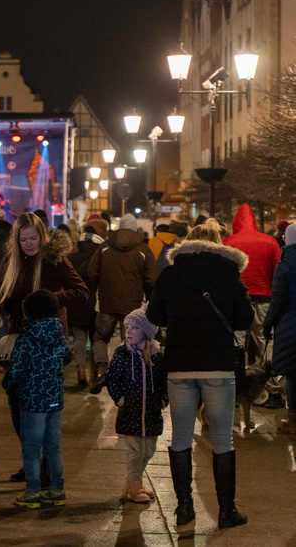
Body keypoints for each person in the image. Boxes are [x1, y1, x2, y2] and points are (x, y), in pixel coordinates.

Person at [146, 220, 253, 536]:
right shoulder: (229, 273)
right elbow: (244, 318)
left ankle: (184, 511)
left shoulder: (171, 273)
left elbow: (153, 315)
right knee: (222, 439)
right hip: (218, 364)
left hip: (180, 364)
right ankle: (227, 511)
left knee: (180, 437)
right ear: (219, 244)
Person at [0, 212, 88, 483]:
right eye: (22, 239)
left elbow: (80, 291)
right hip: (18, 337)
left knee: (42, 405)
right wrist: (7, 304)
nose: (28, 244)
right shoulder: (10, 260)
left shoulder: (53, 259)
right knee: (16, 402)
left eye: (32, 238)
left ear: (42, 236)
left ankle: (44, 463)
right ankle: (32, 459)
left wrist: (49, 299)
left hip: (46, 341)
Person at [3, 289, 72, 509]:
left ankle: (32, 493)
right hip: (54, 400)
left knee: (32, 449)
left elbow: (16, 371)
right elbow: (67, 356)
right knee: (53, 448)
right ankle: (57, 490)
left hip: (32, 403)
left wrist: (9, 385)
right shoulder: (58, 335)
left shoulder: (27, 340)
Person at [88, 213, 158, 394]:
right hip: (133, 306)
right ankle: (127, 377)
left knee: (99, 337)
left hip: (107, 304)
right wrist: (150, 303)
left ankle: (102, 370)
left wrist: (95, 293)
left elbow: (92, 273)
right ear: (135, 230)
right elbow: (152, 280)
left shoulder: (104, 247)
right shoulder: (143, 249)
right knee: (129, 341)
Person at [105, 305, 167, 504]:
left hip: (151, 412)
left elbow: (165, 380)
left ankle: (132, 484)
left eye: (135, 328)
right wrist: (119, 398)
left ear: (147, 332)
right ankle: (135, 485)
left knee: (148, 450)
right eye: (127, 327)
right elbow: (112, 378)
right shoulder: (122, 354)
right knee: (135, 451)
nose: (129, 331)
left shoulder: (157, 357)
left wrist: (164, 399)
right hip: (130, 411)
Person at [223, 204, 282, 407]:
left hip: (236, 302)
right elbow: (277, 272)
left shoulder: (228, 242)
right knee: (266, 344)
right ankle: (275, 391)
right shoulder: (270, 241)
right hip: (264, 299)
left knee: (236, 345)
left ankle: (235, 390)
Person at [263, 223, 296, 433]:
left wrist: (267, 326)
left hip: (290, 327)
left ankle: (293, 421)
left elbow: (277, 302)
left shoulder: (284, 266)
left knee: (293, 375)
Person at [66, 224, 104, 386]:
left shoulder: (71, 259)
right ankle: (93, 374)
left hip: (76, 304)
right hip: (96, 305)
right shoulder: (101, 260)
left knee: (79, 339)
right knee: (96, 340)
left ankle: (80, 370)